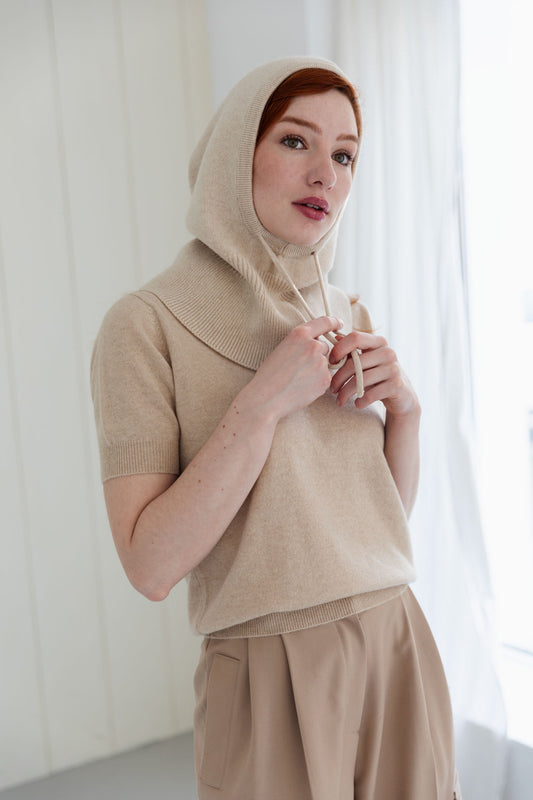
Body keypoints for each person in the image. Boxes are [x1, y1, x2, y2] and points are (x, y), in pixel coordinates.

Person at [91, 56, 461, 799]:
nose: (325, 172)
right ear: (237, 154)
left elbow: (373, 527)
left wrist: (407, 414)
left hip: (396, 639)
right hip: (268, 668)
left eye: (345, 154)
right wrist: (261, 405)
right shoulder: (144, 326)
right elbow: (150, 566)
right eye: (296, 141)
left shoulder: (341, 308)